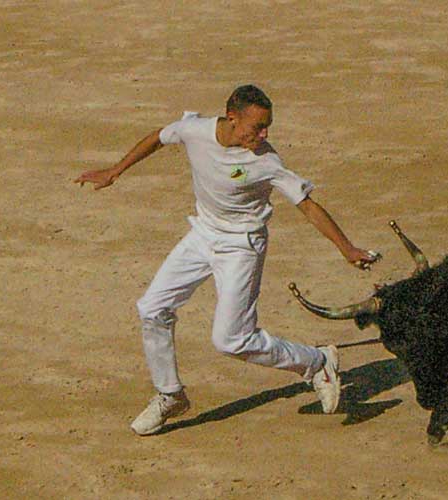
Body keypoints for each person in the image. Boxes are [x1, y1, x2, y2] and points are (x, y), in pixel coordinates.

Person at [74, 84, 379, 436]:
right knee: (152, 308)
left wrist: (347, 248)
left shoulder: (266, 160)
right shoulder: (195, 130)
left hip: (242, 246)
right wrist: (115, 170)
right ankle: (170, 394)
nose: (263, 134)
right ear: (231, 118)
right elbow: (158, 136)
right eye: (257, 126)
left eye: (268, 126)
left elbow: (307, 205)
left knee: (232, 340)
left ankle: (316, 362)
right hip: (202, 234)